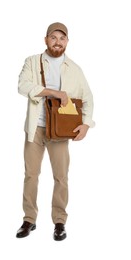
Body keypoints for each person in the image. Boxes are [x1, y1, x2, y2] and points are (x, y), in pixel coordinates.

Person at [16, 22, 95, 241]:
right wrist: (54, 92)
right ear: (46, 40)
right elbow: (22, 85)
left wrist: (86, 124)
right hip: (35, 129)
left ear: (67, 41)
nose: (57, 42)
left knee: (61, 177)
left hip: (59, 132)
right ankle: (29, 219)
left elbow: (88, 98)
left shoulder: (75, 69)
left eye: (62, 38)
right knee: (31, 175)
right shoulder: (32, 62)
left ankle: (59, 221)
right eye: (53, 37)